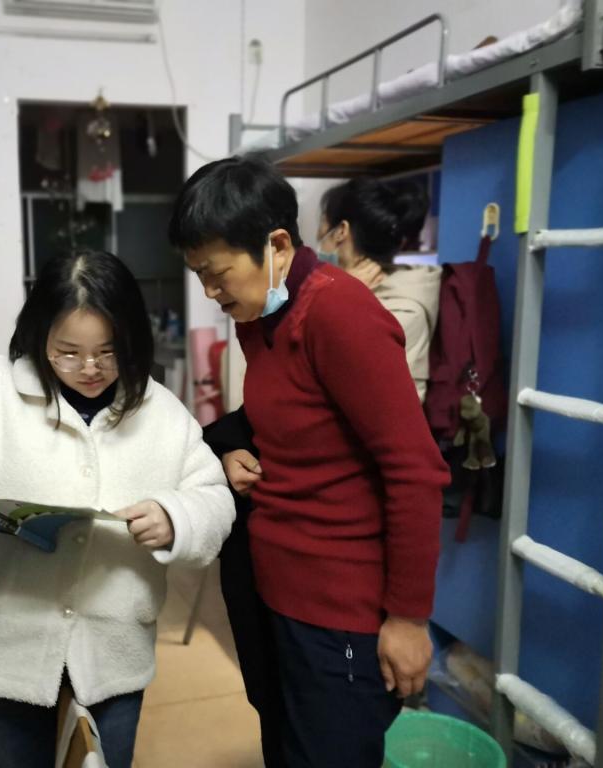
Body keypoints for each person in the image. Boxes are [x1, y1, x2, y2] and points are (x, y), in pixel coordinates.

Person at [0, 250, 234, 768]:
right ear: (39, 336)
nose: (90, 368)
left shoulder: (161, 412)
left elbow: (212, 494)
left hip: (112, 652)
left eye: (109, 351)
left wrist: (176, 517)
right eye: (68, 352)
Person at [170, 156, 449, 767]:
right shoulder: (262, 316)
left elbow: (414, 470)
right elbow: (287, 419)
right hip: (277, 588)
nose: (211, 293)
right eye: (198, 276)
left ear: (275, 245)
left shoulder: (338, 313)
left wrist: (408, 619)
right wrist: (230, 448)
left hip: (338, 609)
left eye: (216, 274)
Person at [316, 176, 442, 401]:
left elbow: (328, 381)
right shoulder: (331, 286)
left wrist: (342, 298)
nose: (318, 239)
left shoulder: (401, 310)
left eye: (323, 228)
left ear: (341, 232)